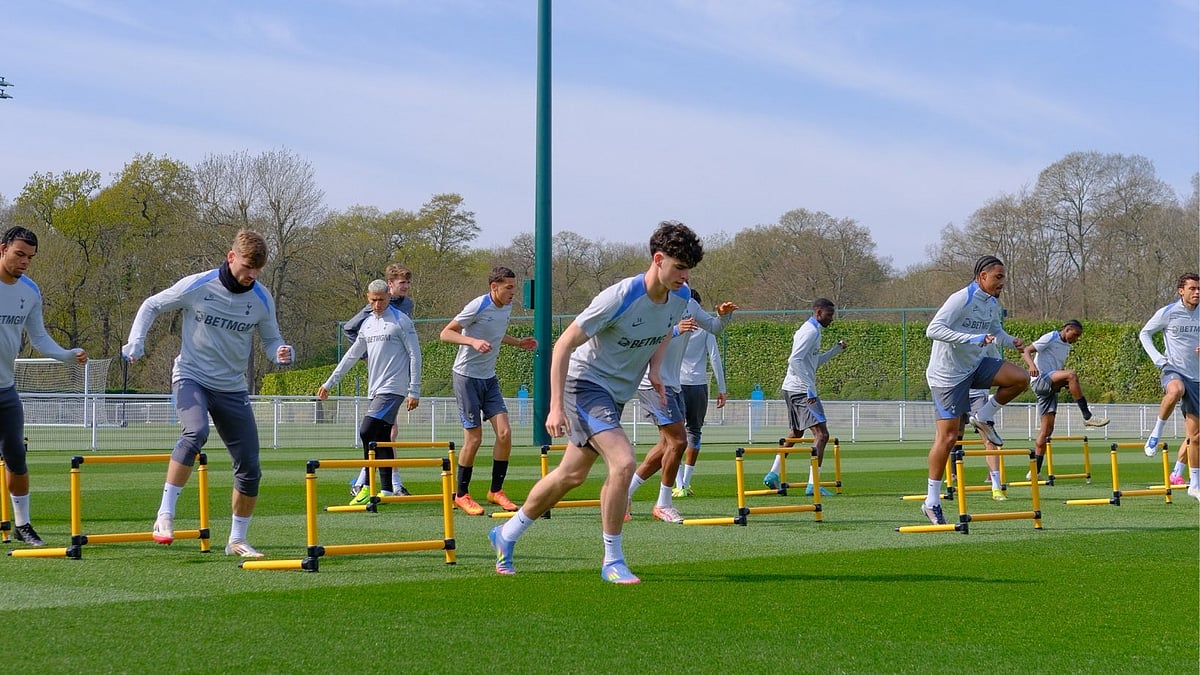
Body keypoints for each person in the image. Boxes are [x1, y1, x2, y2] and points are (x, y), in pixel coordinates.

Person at [488, 221, 703, 584]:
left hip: (615, 395)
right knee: (623, 462)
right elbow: (563, 345)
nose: (684, 276)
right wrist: (555, 406)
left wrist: (654, 370)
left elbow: (664, 330)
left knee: (570, 475)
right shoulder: (619, 296)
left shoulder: (680, 298)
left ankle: (506, 534)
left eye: (688, 270)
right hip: (585, 384)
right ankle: (612, 559)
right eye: (679, 267)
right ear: (658, 259)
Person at [123, 230, 293, 558]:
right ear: (231, 258)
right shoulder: (198, 286)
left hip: (232, 388)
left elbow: (272, 340)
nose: (251, 275)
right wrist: (137, 341)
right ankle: (164, 516)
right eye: (247, 267)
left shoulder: (261, 298)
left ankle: (237, 540)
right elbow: (151, 305)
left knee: (250, 466)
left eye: (258, 270)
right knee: (195, 431)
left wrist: (281, 351)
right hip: (192, 378)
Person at [920, 255, 1028, 525]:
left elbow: (995, 331)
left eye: (1004, 277)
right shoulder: (960, 299)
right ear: (982, 277)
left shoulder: (992, 303)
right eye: (998, 277)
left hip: (974, 366)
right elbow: (933, 330)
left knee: (1020, 379)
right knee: (946, 439)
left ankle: (984, 416)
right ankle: (931, 501)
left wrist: (1009, 339)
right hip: (948, 376)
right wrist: (973, 338)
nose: (1003, 282)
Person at [0, 226, 88, 547]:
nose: (24, 262)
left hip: (6, 390)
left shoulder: (30, 292)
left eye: (30, 258)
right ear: (3, 249)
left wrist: (67, 355)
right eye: (19, 254)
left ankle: (23, 525)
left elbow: (38, 338)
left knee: (16, 458)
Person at [627, 290, 735, 523]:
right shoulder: (651, 303)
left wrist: (723, 316)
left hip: (673, 385)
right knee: (679, 441)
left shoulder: (692, 304)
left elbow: (714, 328)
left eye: (686, 274)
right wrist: (676, 329)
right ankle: (663, 504)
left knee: (666, 445)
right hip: (651, 383)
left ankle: (622, 494)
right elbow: (643, 339)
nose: (683, 279)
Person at [439, 266, 537, 515]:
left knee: (504, 433)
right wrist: (472, 341)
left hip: (489, 378)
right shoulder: (477, 306)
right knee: (474, 438)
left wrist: (517, 343)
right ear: (495, 287)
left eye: (514, 287)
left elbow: (495, 334)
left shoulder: (505, 307)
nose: (513, 292)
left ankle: (495, 491)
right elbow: (446, 333)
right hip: (466, 378)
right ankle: (461, 494)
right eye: (509, 287)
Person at [318, 279, 421, 504]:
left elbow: (415, 354)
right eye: (373, 300)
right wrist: (329, 383)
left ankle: (365, 485)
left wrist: (414, 389)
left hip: (394, 388)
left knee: (366, 431)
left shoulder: (401, 321)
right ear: (368, 298)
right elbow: (351, 356)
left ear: (388, 297)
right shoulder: (367, 325)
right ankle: (386, 490)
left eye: (381, 300)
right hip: (375, 388)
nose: (377, 305)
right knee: (382, 437)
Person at [763, 298, 846, 497]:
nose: (831, 319)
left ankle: (773, 475)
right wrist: (809, 387)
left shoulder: (813, 331)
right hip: (801, 390)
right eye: (829, 315)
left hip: (792, 388)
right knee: (822, 435)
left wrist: (835, 350)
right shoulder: (809, 331)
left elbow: (812, 362)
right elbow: (795, 359)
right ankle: (813, 484)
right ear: (818, 312)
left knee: (796, 432)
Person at [344, 263, 414, 497]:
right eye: (400, 283)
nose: (405, 287)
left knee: (386, 433)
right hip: (379, 377)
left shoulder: (406, 308)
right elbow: (350, 330)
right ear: (389, 286)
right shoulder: (374, 308)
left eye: (407, 282)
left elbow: (410, 347)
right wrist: (370, 352)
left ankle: (387, 484)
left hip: (393, 382)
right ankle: (371, 482)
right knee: (380, 433)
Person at [1020, 320, 1110, 480]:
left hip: (1049, 388)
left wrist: (1065, 382)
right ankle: (1087, 416)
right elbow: (1026, 350)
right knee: (1071, 375)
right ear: (1067, 329)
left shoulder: (1066, 346)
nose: (1076, 339)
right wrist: (1031, 366)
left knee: (1046, 431)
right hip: (1040, 380)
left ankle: (1034, 472)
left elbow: (1057, 369)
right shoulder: (1051, 336)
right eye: (1075, 335)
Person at [1138, 272, 1199, 500]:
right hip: (1173, 368)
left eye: (1199, 288)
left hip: (1197, 378)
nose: (1197, 292)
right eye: (1192, 288)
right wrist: (1157, 358)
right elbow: (1145, 333)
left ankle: (1193, 483)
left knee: (1195, 436)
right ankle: (1156, 433)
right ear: (1181, 291)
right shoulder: (1168, 313)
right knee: (1175, 390)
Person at [674, 289, 729, 497]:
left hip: (676, 383)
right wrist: (722, 389)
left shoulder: (674, 325)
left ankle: (678, 485)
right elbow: (715, 358)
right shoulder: (705, 329)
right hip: (698, 385)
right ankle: (686, 483)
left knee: (675, 435)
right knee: (694, 432)